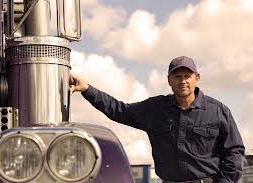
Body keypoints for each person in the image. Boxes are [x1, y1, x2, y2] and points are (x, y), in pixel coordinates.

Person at [69, 56, 245, 183]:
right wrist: (87, 89)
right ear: (169, 80)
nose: (182, 81)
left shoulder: (218, 111)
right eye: (177, 76)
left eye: (187, 76)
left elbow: (234, 150)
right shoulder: (155, 109)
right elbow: (118, 110)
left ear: (196, 78)